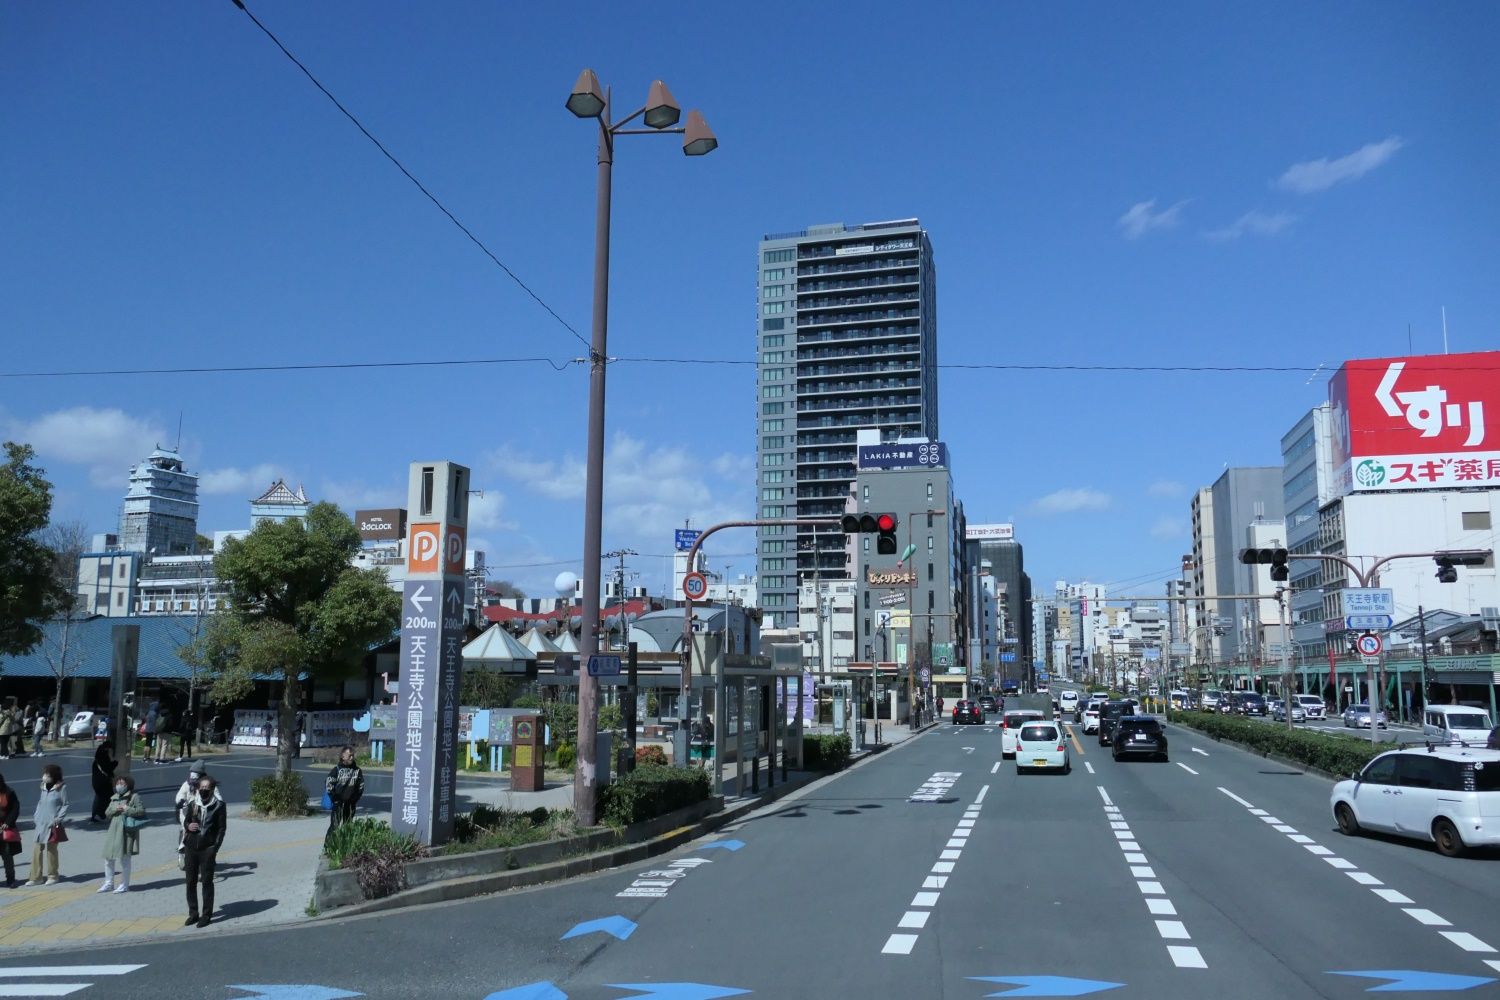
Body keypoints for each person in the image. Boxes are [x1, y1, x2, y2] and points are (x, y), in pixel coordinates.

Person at [180, 774, 226, 927]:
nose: (204, 790)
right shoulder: (193, 803)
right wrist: (188, 826)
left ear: (212, 789)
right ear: (198, 789)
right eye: (202, 788)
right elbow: (186, 820)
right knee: (190, 882)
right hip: (191, 846)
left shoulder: (219, 806)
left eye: (207, 788)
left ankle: (206, 915)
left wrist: (215, 848)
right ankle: (193, 913)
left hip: (207, 848)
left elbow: (221, 829)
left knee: (206, 882)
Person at [99, 773, 145, 893]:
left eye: (122, 783)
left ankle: (124, 885)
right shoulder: (114, 797)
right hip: (113, 830)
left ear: (128, 785)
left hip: (126, 831)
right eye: (118, 783)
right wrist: (116, 809)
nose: (119, 785)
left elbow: (141, 811)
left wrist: (127, 809)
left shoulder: (134, 796)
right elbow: (107, 813)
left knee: (125, 859)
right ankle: (108, 883)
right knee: (108, 857)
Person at [26, 763, 68, 886]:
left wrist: (59, 818)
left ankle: (53, 875)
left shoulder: (62, 788)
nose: (44, 776)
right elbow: (40, 803)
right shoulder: (43, 787)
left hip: (52, 824)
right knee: (37, 850)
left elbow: (65, 804)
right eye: (44, 774)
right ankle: (36, 877)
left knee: (51, 850)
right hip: (41, 822)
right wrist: (36, 815)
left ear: (54, 776)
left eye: (47, 774)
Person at [324, 745, 364, 843]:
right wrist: (335, 799)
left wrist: (354, 799)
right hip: (338, 804)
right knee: (334, 826)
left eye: (352, 755)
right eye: (349, 755)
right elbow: (329, 785)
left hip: (350, 804)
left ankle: (345, 848)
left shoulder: (357, 771)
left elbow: (361, 786)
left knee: (348, 826)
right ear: (342, 756)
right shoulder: (336, 770)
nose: (351, 757)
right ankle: (328, 848)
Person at [0, 772, 20, 888]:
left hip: (5, 829)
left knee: (7, 856)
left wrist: (8, 822)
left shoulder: (9, 792)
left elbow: (15, 809)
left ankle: (10, 879)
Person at [89, 743, 117, 823]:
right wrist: (115, 763)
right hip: (103, 783)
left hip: (97, 783)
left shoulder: (97, 759)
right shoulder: (103, 758)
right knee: (109, 798)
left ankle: (95, 816)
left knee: (99, 798)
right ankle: (101, 814)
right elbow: (107, 768)